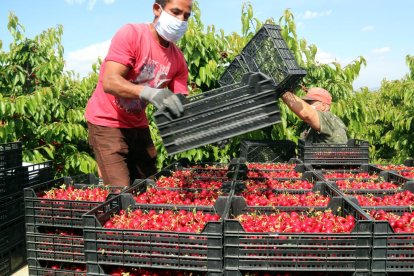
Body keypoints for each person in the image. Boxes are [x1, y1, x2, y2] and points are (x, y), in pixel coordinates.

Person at [85, 0, 193, 187]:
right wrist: (149, 92)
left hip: (137, 123)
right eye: (175, 12)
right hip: (106, 121)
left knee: (147, 185)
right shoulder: (132, 34)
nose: (180, 20)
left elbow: (181, 102)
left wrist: (209, 129)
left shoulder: (178, 60)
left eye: (186, 16)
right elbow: (110, 82)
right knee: (120, 190)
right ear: (157, 9)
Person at [281, 87, 348, 144]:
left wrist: (283, 92)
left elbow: (307, 114)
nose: (307, 106)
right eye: (306, 103)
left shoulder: (330, 119)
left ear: (323, 106)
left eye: (310, 103)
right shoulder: (309, 127)